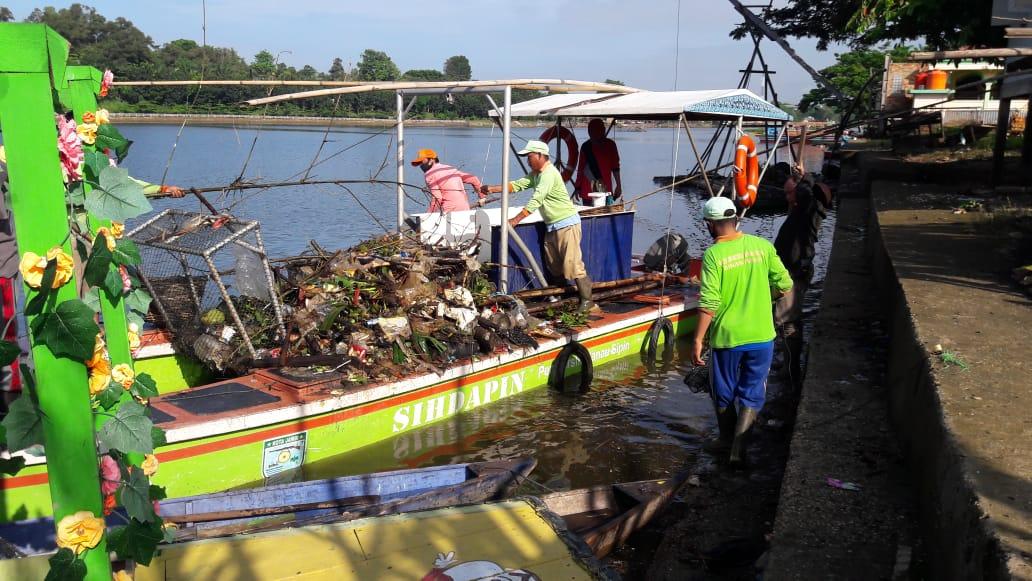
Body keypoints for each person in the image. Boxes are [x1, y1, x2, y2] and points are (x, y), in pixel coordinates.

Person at [691, 196, 793, 465]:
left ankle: (726, 441)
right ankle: (739, 450)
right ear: (735, 218)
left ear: (710, 225)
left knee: (723, 390)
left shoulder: (713, 255)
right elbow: (784, 284)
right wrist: (763, 296)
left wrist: (698, 339)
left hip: (728, 338)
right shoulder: (762, 246)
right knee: (753, 390)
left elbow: (709, 301)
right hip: (762, 336)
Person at [480, 140, 595, 313]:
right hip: (552, 226)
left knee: (572, 264)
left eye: (530, 156)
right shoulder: (536, 174)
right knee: (554, 265)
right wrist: (492, 188)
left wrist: (517, 219)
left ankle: (588, 302)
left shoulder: (549, 174)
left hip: (567, 223)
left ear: (541, 155)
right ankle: (563, 298)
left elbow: (537, 200)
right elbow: (518, 185)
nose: (528, 160)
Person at [772, 168, 833, 387]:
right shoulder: (801, 210)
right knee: (784, 318)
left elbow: (806, 191)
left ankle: (790, 370)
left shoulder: (809, 209)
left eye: (790, 193)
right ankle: (787, 362)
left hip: (795, 272)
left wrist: (804, 176)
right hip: (787, 271)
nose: (788, 198)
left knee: (788, 320)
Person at [410, 148, 485, 213]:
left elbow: (437, 198)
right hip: (465, 208)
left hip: (449, 212)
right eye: (419, 163)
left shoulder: (429, 174)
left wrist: (429, 214)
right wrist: (482, 197)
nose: (420, 165)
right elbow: (474, 179)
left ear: (431, 160)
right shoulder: (450, 168)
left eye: (422, 162)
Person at [574, 118, 621, 204]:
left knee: (591, 215)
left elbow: (580, 170)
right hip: (597, 191)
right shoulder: (609, 145)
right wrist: (619, 185)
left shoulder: (609, 145)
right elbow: (616, 167)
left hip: (597, 192)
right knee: (604, 215)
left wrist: (577, 187)